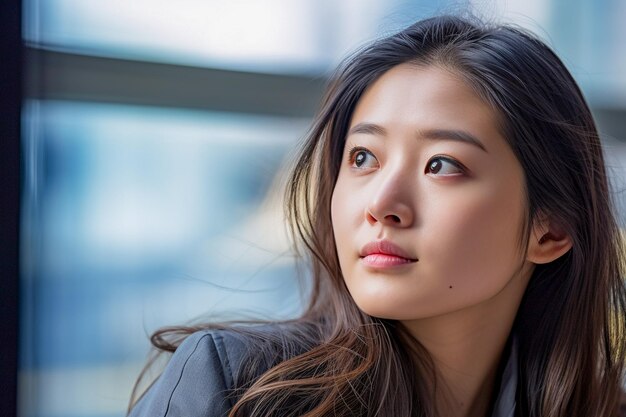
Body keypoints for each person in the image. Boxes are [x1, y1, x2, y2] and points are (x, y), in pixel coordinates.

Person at [127, 15, 626, 417]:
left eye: (442, 165)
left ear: (553, 228)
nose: (382, 203)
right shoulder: (237, 390)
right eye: (363, 157)